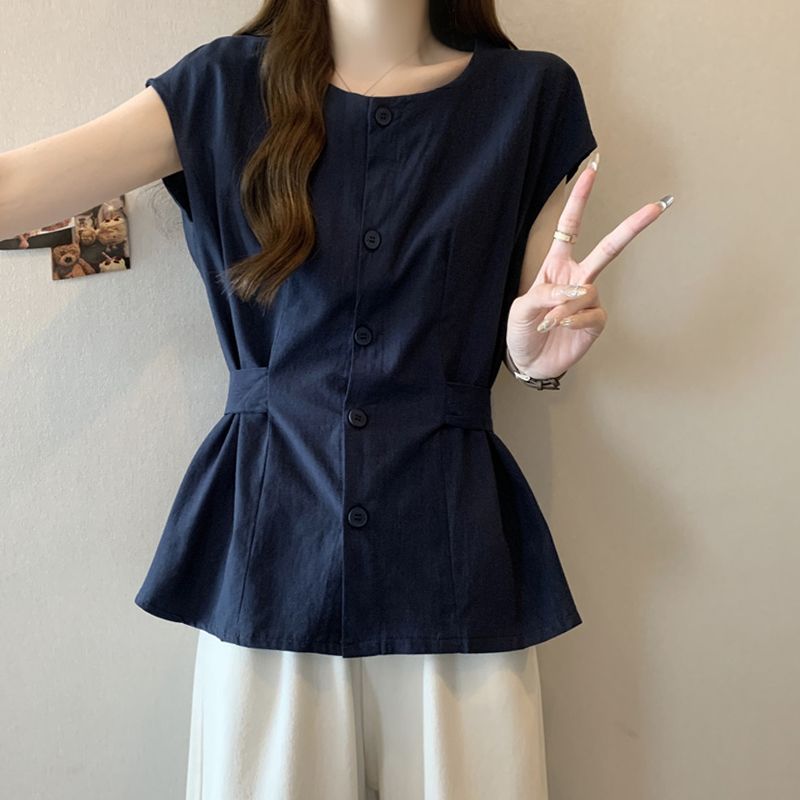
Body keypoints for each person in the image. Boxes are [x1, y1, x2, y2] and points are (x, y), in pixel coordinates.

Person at [0, 1, 673, 797]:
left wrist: (530, 361)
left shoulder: (529, 96)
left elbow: (536, 311)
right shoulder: (219, 88)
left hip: (450, 551)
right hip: (272, 546)